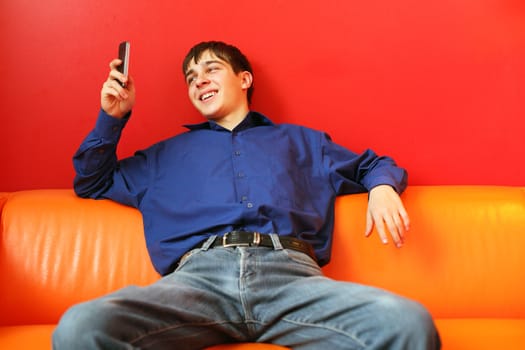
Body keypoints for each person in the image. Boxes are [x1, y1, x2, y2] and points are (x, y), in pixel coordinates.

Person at [53, 41, 440, 349]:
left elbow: (372, 165)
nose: (199, 80)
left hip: (293, 281)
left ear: (244, 79)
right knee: (80, 328)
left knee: (406, 324)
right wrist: (112, 117)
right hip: (195, 285)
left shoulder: (302, 142)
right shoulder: (163, 156)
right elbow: (93, 182)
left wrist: (383, 186)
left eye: (211, 68)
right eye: (191, 77)